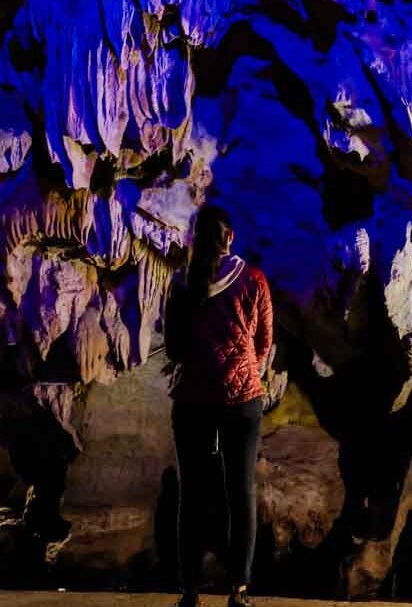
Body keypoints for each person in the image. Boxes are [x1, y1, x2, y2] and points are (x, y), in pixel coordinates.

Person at [164, 205, 273, 607]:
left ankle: (190, 589)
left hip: (193, 398)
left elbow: (174, 347)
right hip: (242, 398)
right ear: (230, 238)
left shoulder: (182, 282)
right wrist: (243, 371)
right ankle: (238, 589)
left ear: (197, 239)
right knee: (240, 492)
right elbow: (263, 342)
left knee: (191, 494)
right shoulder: (254, 280)